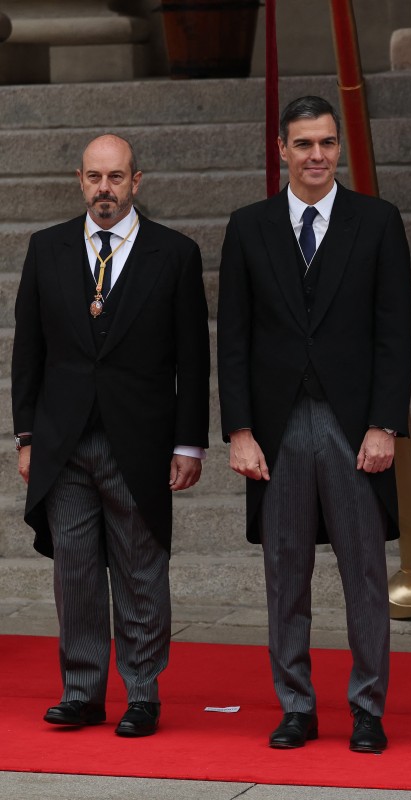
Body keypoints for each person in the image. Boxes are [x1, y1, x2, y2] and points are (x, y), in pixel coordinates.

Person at [217, 95, 411, 753]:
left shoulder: (378, 221)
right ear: (281, 148)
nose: (316, 155)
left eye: (327, 143)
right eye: (303, 144)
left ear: (340, 148)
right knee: (285, 573)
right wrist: (238, 429)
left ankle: (367, 708)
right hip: (275, 430)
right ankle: (296, 706)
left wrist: (387, 424)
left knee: (364, 573)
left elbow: (395, 331)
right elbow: (234, 339)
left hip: (354, 424)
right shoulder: (249, 227)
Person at [11, 133, 210, 738]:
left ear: (137, 181)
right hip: (62, 441)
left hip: (141, 440)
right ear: (79, 180)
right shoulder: (46, 250)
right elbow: (28, 352)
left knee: (140, 570)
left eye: (116, 178)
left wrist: (188, 443)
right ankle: (82, 692)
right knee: (74, 573)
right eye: (95, 178)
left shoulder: (174, 253)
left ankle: (143, 694)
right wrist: (25, 435)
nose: (105, 189)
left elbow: (193, 359)